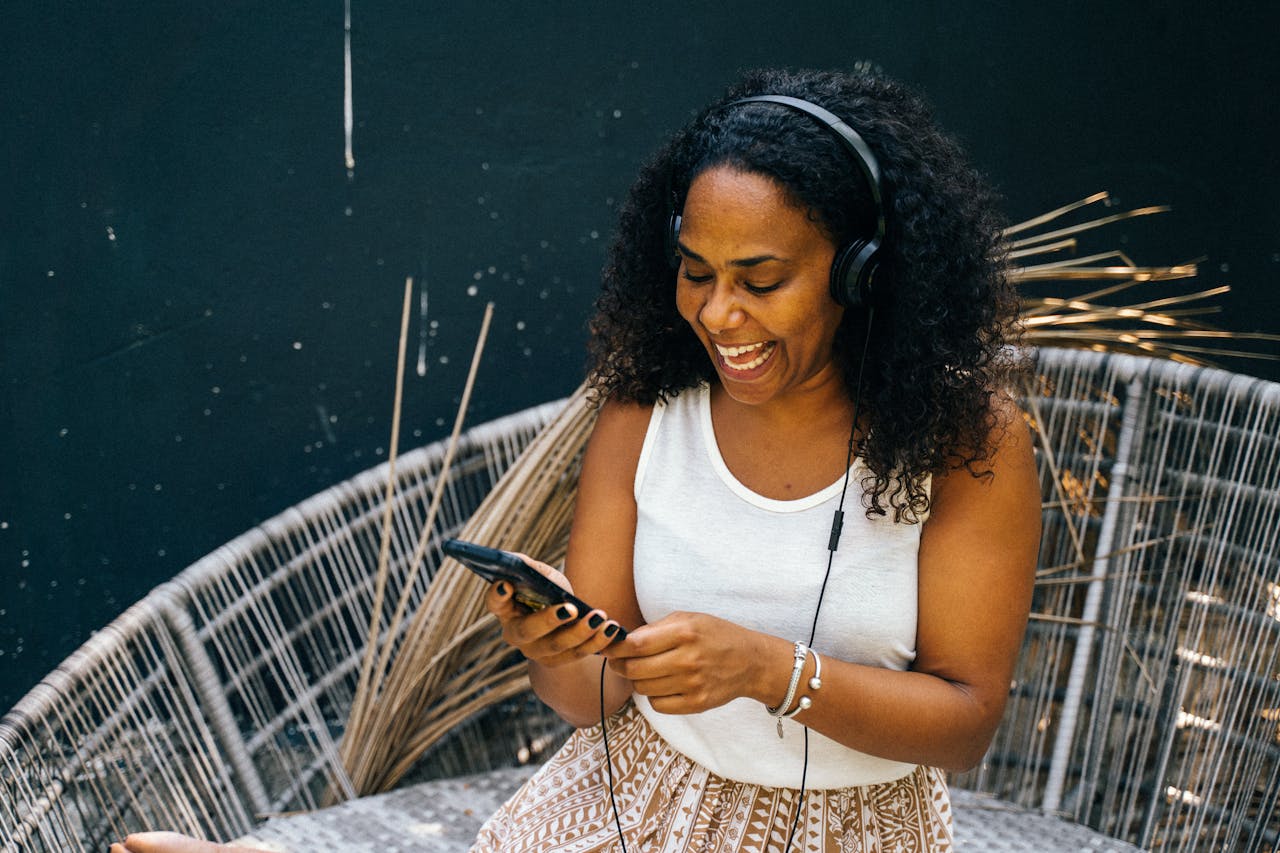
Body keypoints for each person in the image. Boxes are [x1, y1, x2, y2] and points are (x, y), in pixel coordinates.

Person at [113, 66, 1039, 853]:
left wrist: (771, 670)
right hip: (635, 798)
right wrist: (558, 647)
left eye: (761, 281)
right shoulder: (646, 413)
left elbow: (964, 721)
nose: (718, 314)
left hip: (858, 829)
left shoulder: (965, 439)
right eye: (695, 271)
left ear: (861, 273)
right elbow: (585, 701)